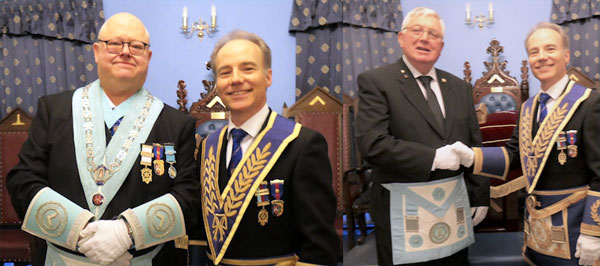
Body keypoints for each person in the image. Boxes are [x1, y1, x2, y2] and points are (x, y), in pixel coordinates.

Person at [7, 12, 200, 265]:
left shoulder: (176, 124)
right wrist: (80, 231)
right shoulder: (54, 111)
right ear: (97, 51)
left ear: (148, 57)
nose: (125, 51)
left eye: (136, 46)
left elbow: (188, 196)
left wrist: (126, 233)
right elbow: (23, 180)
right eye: (115, 44)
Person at [187, 30, 339, 266]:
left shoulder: (302, 144)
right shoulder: (209, 145)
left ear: (268, 76)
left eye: (248, 68)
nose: (236, 79)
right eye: (225, 72)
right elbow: (200, 230)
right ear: (217, 82)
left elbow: (319, 246)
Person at [453, 22, 600, 265]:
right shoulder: (529, 108)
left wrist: (593, 231)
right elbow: (515, 154)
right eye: (534, 52)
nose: (542, 57)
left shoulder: (590, 103)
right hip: (536, 230)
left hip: (576, 230)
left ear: (566, 55)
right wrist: (472, 157)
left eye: (550, 49)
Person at [355, 7, 490, 265]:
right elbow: (372, 144)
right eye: (417, 30)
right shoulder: (376, 82)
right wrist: (434, 158)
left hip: (453, 210)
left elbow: (474, 145)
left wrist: (481, 195)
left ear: (441, 45)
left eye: (433, 34)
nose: (424, 38)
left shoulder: (460, 87)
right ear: (401, 37)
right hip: (403, 213)